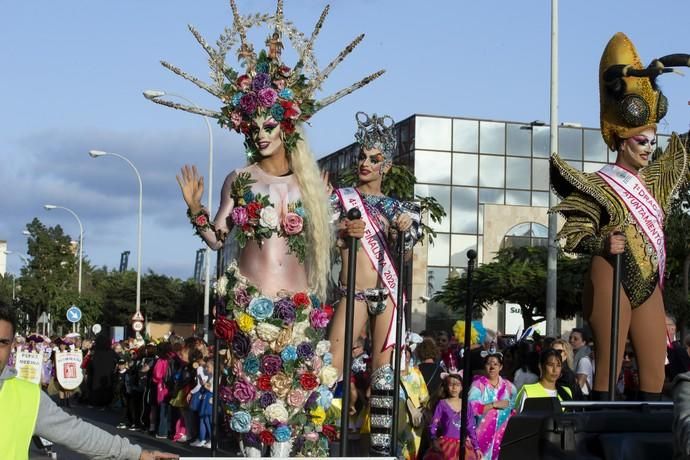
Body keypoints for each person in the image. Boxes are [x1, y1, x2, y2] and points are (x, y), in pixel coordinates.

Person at [160, 2, 383, 456]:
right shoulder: (240, 180)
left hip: (298, 313)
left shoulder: (311, 185)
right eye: (254, 127)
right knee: (252, 425)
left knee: (295, 415)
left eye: (270, 126)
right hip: (247, 310)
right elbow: (218, 239)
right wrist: (196, 209)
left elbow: (338, 238)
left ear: (287, 127)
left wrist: (351, 231)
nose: (261, 134)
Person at [551, 32, 690, 401]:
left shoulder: (656, 184)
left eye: (652, 141)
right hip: (610, 273)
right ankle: (598, 420)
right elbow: (574, 237)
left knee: (654, 369)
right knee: (609, 364)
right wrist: (602, 241)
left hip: (646, 281)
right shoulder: (598, 184)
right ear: (620, 138)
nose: (648, 149)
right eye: (640, 141)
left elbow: (685, 156)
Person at [327, 111, 418, 456]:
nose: (365, 163)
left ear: (387, 167)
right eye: (361, 157)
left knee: (383, 377)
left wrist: (404, 234)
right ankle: (321, 438)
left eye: (373, 158)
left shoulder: (398, 207)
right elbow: (324, 240)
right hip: (355, 293)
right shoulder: (341, 199)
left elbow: (407, 258)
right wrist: (341, 231)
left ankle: (381, 448)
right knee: (331, 366)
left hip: (389, 294)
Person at [0, 304, 177, 460]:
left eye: (2, 343)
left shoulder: (28, 397)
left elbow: (78, 434)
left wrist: (137, 454)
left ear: (11, 345)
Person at [467, 353, 516, 460]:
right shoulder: (478, 385)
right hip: (480, 438)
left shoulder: (510, 387)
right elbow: (471, 409)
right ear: (484, 366)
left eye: (496, 364)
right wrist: (493, 405)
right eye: (489, 364)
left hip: (502, 438)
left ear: (501, 367)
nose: (492, 367)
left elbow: (514, 411)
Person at [427, 369, 480, 460]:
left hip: (463, 447)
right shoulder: (442, 404)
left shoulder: (466, 404)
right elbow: (433, 424)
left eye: (457, 384)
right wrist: (434, 439)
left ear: (462, 387)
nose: (454, 387)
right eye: (451, 384)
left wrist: (476, 447)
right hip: (446, 446)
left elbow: (471, 427)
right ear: (447, 386)